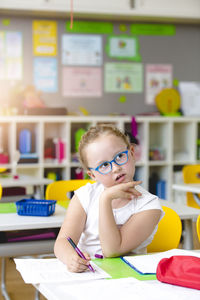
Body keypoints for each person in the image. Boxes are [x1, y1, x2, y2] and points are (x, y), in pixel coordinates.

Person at [54, 124, 164, 273]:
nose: (115, 168)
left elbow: (112, 251)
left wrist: (105, 199)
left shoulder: (149, 206)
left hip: (128, 279)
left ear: (131, 153)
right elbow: (62, 242)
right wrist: (70, 258)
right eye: (104, 165)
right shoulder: (84, 196)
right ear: (92, 175)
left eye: (120, 156)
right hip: (86, 275)